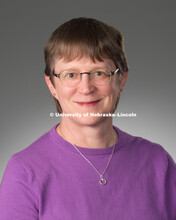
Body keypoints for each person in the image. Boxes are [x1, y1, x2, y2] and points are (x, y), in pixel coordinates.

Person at [0, 17, 176, 220]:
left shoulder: (158, 162)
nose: (86, 88)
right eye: (71, 75)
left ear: (121, 80)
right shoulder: (24, 172)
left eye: (99, 73)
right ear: (52, 85)